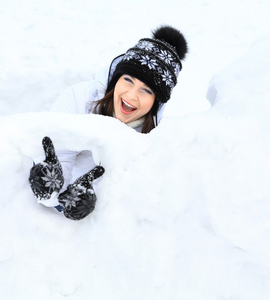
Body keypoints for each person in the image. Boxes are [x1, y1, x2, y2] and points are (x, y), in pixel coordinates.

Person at [29, 25, 188, 220]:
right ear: (116, 79)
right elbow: (57, 157)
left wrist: (90, 198)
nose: (131, 95)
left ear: (157, 102)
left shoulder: (152, 141)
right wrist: (52, 190)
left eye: (146, 90)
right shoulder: (79, 99)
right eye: (128, 80)